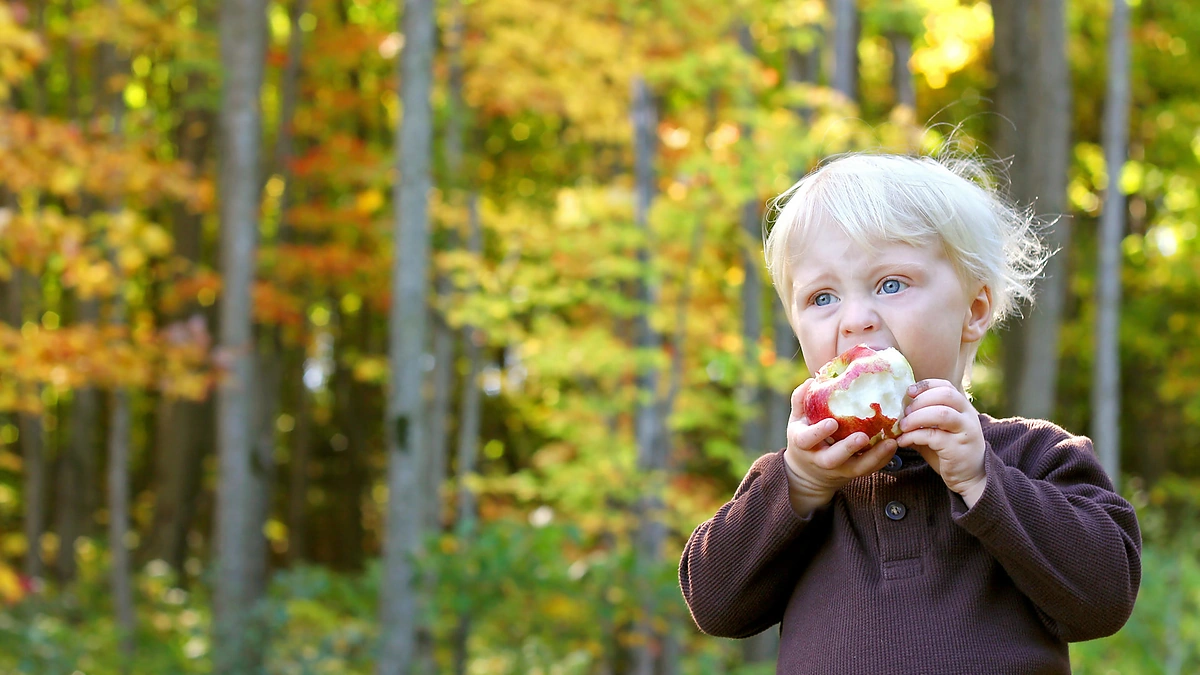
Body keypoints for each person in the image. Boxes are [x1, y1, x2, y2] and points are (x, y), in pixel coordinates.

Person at [679, 153, 1142, 674]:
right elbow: (716, 606)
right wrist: (799, 484)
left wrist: (982, 481)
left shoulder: (1034, 456)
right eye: (822, 296)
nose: (856, 319)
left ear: (974, 309)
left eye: (891, 284)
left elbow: (1105, 599)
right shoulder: (803, 482)